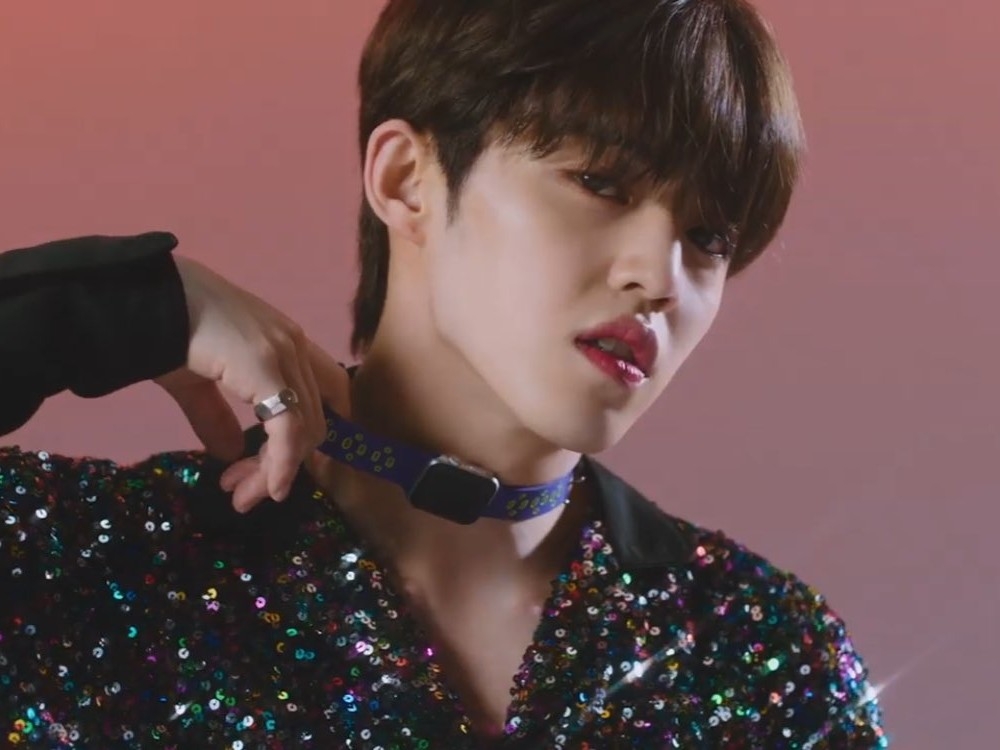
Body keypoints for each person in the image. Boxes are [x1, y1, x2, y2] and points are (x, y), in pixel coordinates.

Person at [0, 0, 888, 747]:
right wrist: (114, 307)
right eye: (601, 182)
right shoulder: (95, 571)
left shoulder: (763, 660)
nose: (660, 277)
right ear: (406, 180)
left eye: (708, 238)